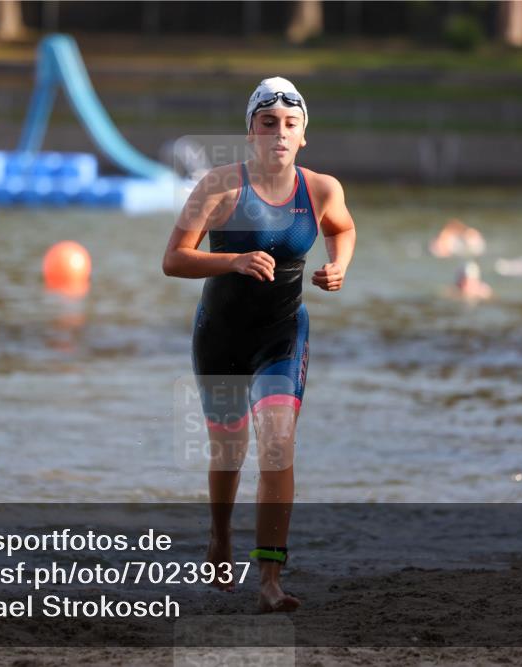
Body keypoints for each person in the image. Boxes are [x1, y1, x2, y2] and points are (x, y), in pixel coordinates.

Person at [162, 77, 356, 613]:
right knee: (229, 447)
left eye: (290, 124)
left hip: (282, 334)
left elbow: (343, 228)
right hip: (220, 335)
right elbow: (174, 259)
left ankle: (270, 578)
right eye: (267, 123)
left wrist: (339, 264)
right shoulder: (219, 187)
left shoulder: (320, 189)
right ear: (251, 133)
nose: (279, 132)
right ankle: (220, 536)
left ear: (303, 137)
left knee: (278, 441)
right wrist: (233, 261)